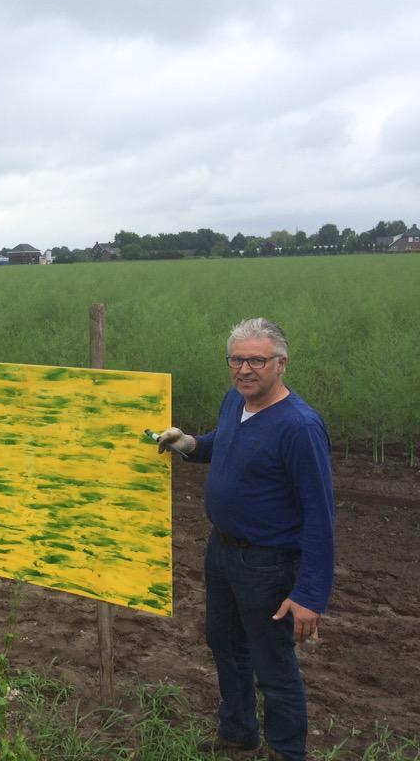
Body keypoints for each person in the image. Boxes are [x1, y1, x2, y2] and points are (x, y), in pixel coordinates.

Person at [156, 318, 334, 761]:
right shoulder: (234, 402)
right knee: (225, 644)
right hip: (222, 552)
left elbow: (319, 514)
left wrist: (310, 593)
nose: (245, 369)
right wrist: (192, 443)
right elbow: (228, 443)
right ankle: (238, 732)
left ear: (281, 363)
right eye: (237, 359)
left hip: (268, 564)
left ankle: (287, 752)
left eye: (257, 359)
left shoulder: (299, 426)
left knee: (273, 664)